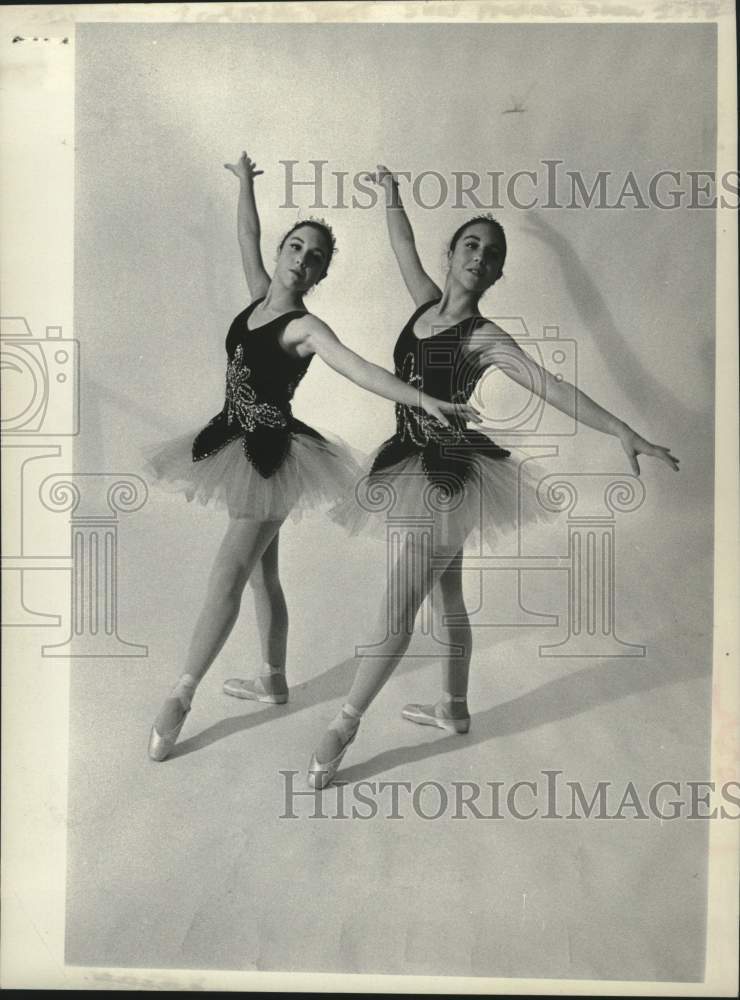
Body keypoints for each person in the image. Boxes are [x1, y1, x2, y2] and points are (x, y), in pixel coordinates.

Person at [306, 164, 680, 789]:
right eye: (472, 245)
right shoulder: (424, 302)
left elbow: (552, 387)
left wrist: (622, 430)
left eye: (493, 254)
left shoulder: (484, 336)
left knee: (399, 604)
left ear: (498, 275)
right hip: (408, 457)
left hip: (446, 474)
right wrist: (393, 196)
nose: (481, 257)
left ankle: (345, 723)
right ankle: (454, 708)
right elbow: (402, 243)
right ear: (451, 254)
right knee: (446, 595)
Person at [145, 153, 480, 762]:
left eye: (316, 258)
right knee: (261, 574)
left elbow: (359, 368)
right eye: (296, 248)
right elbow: (246, 235)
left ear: (320, 275)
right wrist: (245, 185)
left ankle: (181, 695)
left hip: (270, 457)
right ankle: (273, 678)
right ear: (281, 254)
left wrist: (419, 397)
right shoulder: (256, 298)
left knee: (228, 572)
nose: (302, 260)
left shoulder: (304, 327)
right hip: (232, 438)